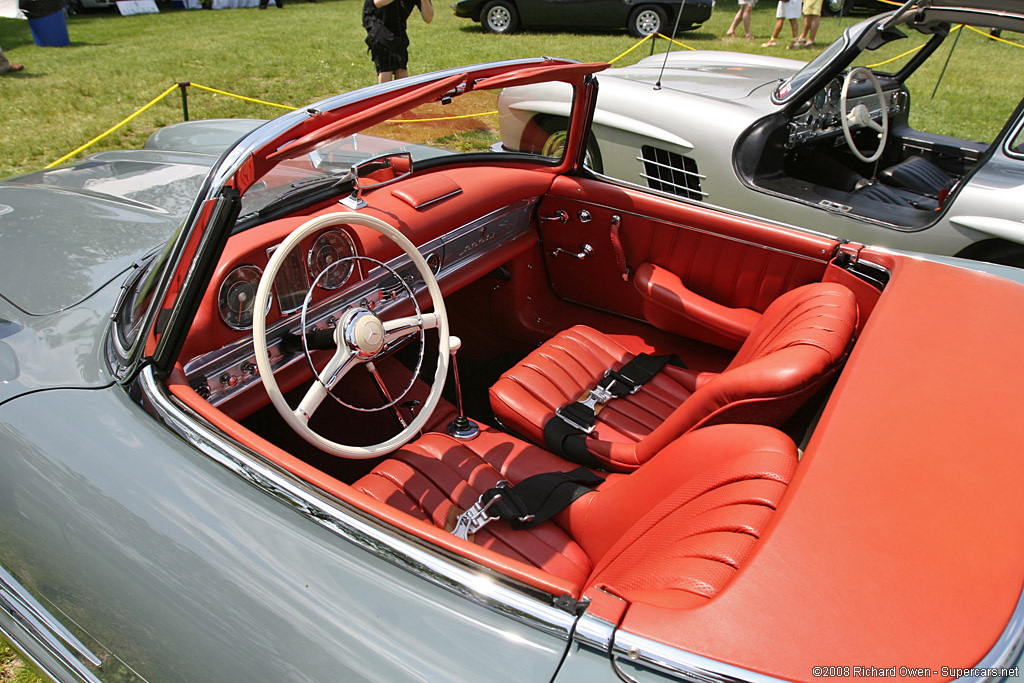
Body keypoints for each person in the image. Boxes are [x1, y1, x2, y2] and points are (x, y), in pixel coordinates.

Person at [363, 0, 433, 84]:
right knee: (386, 67)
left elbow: (428, 18)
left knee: (401, 67)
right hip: (378, 23)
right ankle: (386, 96)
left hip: (398, 27)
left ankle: (402, 96)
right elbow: (378, 2)